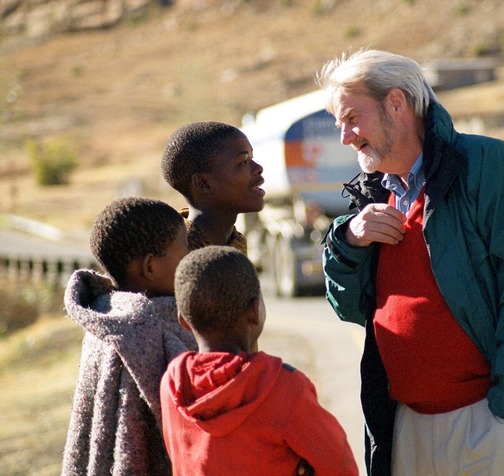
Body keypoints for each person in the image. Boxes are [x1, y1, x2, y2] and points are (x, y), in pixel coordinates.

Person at [317, 49, 504, 476]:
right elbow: (349, 307)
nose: (345, 136)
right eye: (339, 124)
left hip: (490, 423)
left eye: (351, 118)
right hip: (407, 428)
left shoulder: (490, 167)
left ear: (397, 103)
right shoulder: (372, 197)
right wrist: (349, 241)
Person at [160, 245, 359, 476]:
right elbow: (340, 466)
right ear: (255, 310)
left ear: (183, 320)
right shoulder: (282, 387)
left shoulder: (173, 383)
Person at [62, 197, 197, 476]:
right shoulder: (160, 331)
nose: (192, 260)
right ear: (149, 267)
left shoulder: (103, 317)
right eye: (185, 253)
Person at [161, 121, 265, 254]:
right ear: (203, 183)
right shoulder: (173, 257)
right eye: (243, 162)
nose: (258, 168)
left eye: (252, 157)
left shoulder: (234, 245)